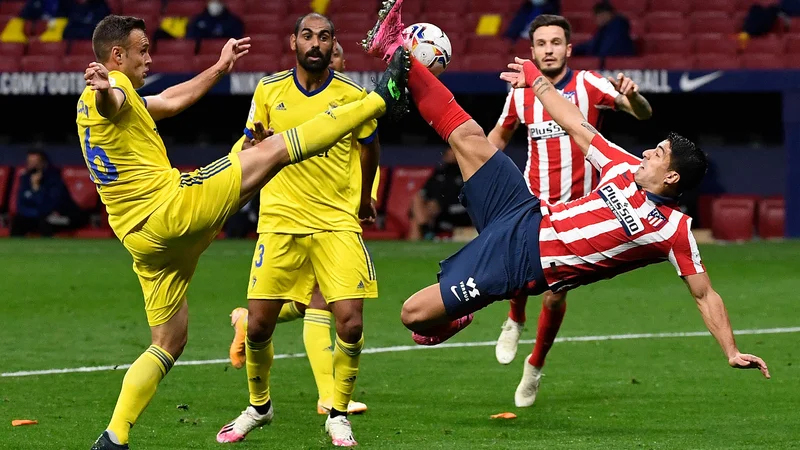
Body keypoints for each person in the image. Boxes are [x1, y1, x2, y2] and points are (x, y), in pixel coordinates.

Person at [362, 0, 770, 399]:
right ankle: (396, 48)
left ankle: (458, 318)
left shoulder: (673, 231)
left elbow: (704, 294)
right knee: (468, 135)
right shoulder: (623, 166)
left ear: (673, 176)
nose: (647, 152)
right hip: (525, 210)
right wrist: (536, 80)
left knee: (412, 315)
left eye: (658, 153)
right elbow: (577, 124)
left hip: (522, 262)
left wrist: (731, 350)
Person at [80, 14, 409, 450]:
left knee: (169, 340)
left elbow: (171, 101)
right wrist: (106, 89)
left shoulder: (103, 103)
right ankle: (379, 99)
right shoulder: (108, 92)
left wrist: (218, 68)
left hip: (142, 242)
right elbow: (114, 100)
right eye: (143, 51)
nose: (149, 57)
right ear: (116, 55)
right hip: (173, 211)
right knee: (275, 149)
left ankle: (114, 435)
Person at [216, 15, 386, 448]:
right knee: (257, 327)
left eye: (324, 37)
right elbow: (249, 146)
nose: (315, 43)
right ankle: (259, 406)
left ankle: (338, 412)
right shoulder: (269, 90)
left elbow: (370, 146)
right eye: (307, 35)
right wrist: (256, 146)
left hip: (335, 222)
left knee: (349, 323)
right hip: (279, 222)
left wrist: (365, 198)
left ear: (334, 46)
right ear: (293, 41)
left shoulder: (353, 96)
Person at [487, 13, 653, 406]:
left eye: (555, 42)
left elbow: (642, 113)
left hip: (578, 211)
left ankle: (535, 366)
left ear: (568, 48)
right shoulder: (520, 92)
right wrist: (476, 167)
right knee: (515, 270)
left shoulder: (590, 84)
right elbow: (501, 134)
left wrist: (633, 95)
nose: (548, 49)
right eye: (541, 43)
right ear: (531, 51)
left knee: (556, 295)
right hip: (532, 202)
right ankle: (515, 317)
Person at [10, 150, 83, 237]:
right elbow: (20, 205)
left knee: (45, 223)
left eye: (35, 162)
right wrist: (34, 214)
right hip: (35, 216)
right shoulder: (25, 179)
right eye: (29, 162)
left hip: (62, 216)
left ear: (43, 163)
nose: (31, 165)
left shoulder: (54, 180)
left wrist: (36, 189)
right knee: (18, 221)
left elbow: (49, 206)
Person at [407, 147, 471, 241]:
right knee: (417, 200)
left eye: (453, 155)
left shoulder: (465, 174)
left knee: (423, 214)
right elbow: (424, 193)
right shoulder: (438, 174)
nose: (450, 157)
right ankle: (424, 229)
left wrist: (440, 205)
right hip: (435, 213)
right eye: (448, 155)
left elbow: (469, 200)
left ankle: (426, 229)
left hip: (457, 212)